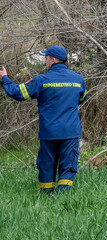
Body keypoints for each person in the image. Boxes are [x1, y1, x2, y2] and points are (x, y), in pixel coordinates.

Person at [0, 46, 87, 194]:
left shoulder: (41, 80)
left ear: (53, 60)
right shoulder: (78, 79)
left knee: (47, 163)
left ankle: (47, 195)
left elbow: (17, 93)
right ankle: (63, 195)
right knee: (68, 163)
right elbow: (82, 98)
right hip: (70, 131)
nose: (45, 61)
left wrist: (4, 79)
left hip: (49, 132)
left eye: (46, 58)